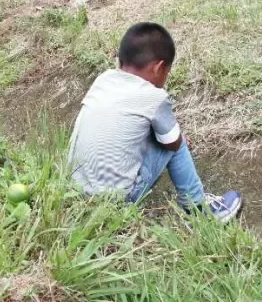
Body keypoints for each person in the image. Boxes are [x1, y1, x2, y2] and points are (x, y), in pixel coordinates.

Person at [67, 22, 243, 222]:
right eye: (167, 73)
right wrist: (176, 138)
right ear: (159, 68)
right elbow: (173, 143)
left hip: (75, 191)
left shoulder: (103, 80)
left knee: (149, 133)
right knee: (174, 141)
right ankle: (199, 207)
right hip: (114, 202)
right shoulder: (153, 96)